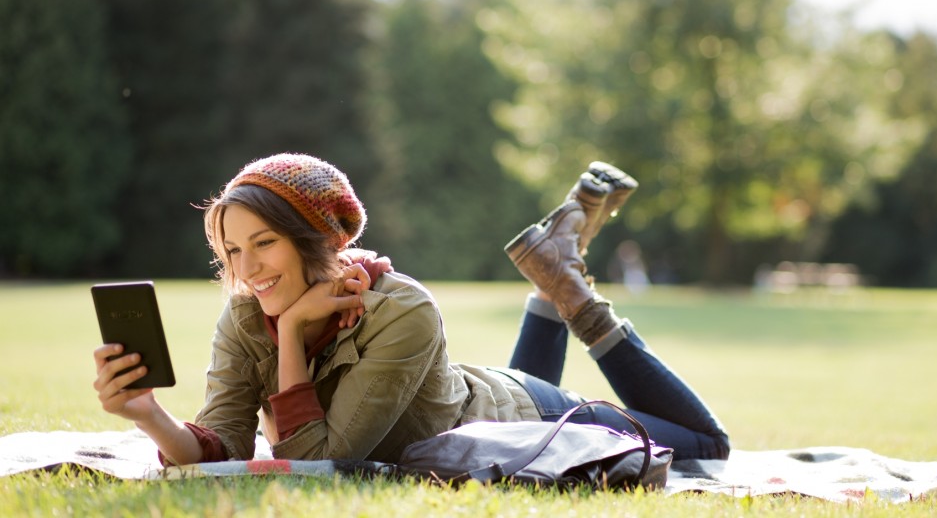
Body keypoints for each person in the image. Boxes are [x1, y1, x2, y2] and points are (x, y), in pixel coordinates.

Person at [92, 153, 729, 466]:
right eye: (232, 251)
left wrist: (289, 338)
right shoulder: (242, 316)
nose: (248, 270)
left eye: (265, 244)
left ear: (316, 240)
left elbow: (320, 465)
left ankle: (573, 299)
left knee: (708, 446)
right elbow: (225, 449)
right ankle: (551, 277)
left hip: (523, 415)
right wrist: (150, 417)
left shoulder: (403, 308)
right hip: (463, 408)